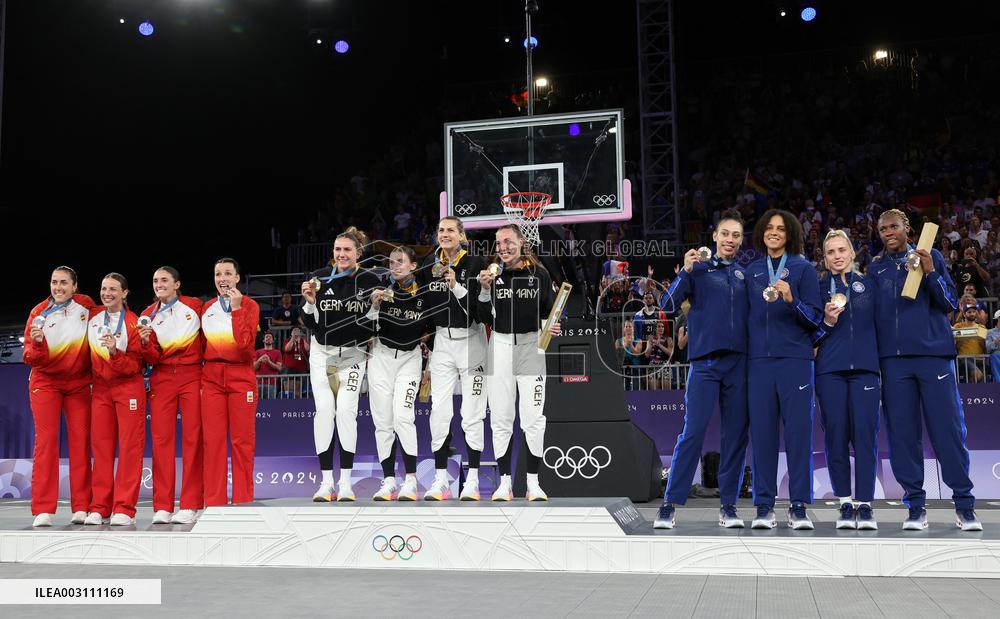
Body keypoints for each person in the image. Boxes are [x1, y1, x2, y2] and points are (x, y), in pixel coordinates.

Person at [870, 209, 981, 531]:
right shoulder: (876, 269)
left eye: (894, 226)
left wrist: (931, 272)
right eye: (882, 228)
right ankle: (915, 507)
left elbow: (949, 304)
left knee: (948, 433)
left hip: (934, 357)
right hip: (893, 361)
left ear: (908, 229)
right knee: (903, 437)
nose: (888, 232)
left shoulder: (928, 255)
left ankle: (965, 506)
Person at [653, 210, 750, 529]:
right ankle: (669, 504)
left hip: (738, 365)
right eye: (725, 234)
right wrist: (684, 271)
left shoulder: (744, 275)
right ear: (715, 237)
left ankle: (729, 506)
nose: (730, 240)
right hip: (705, 364)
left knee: (734, 437)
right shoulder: (698, 270)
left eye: (736, 235)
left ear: (741, 240)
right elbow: (666, 307)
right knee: (692, 432)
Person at [745, 209, 822, 530]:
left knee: (799, 435)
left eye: (781, 229)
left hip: (795, 362)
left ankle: (799, 506)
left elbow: (815, 318)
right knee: (761, 436)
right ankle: (764, 506)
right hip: (759, 363)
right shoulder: (750, 271)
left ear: (790, 234)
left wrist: (792, 301)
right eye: (769, 227)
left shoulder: (804, 270)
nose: (774, 232)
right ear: (762, 232)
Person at [478, 224, 561, 501]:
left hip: (531, 347)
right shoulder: (492, 274)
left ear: (522, 242)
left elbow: (550, 313)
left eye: (508, 242)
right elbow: (482, 316)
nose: (503, 247)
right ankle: (504, 483)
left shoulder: (540, 273)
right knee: (500, 419)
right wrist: (483, 290)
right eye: (499, 243)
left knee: (534, 419)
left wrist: (553, 326)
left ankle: (533, 483)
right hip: (498, 347)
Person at [301, 227, 381, 502]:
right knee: (324, 412)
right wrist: (310, 304)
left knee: (346, 412)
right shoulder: (319, 279)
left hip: (352, 354)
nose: (342, 254)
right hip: (322, 353)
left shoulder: (370, 280)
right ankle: (326, 483)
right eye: (338, 250)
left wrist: (374, 307)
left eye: (347, 250)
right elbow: (310, 324)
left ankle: (345, 483)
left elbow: (371, 328)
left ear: (358, 252)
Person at [810, 230, 880, 530]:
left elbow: (884, 325)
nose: (837, 256)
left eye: (842, 250)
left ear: (852, 252)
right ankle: (844, 502)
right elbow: (808, 334)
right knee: (836, 436)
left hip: (865, 369)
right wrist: (826, 321)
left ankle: (865, 504)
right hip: (829, 371)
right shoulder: (817, 286)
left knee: (865, 436)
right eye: (831, 252)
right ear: (824, 258)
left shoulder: (870, 284)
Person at [416, 216, 488, 501]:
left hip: (472, 340)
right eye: (441, 230)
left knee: (472, 415)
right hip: (442, 344)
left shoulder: (475, 263)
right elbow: (422, 306)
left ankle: (472, 480)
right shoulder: (427, 266)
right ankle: (441, 478)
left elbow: (480, 309)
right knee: (439, 412)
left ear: (462, 236)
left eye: (450, 231)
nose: (444, 235)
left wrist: (456, 284)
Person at [23, 266, 96, 527]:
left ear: (75, 286)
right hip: (46, 383)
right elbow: (29, 357)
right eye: (54, 282)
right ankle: (43, 508)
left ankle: (82, 505)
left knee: (81, 443)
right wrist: (39, 342)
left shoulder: (86, 306)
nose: (58, 287)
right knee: (47, 443)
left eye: (64, 283)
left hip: (78, 384)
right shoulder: (38, 312)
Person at [138, 267, 205, 525]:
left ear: (177, 284)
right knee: (161, 441)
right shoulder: (146, 315)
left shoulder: (194, 306)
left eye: (164, 280)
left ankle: (190, 504)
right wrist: (145, 343)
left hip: (192, 375)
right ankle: (163, 506)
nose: (159, 284)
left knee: (192, 440)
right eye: (155, 281)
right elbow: (152, 357)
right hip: (162, 376)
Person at [366, 245, 433, 501]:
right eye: (392, 262)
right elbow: (365, 326)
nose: (395, 266)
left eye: (400, 261)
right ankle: (389, 481)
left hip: (410, 360)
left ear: (413, 265)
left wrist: (429, 367)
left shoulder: (425, 294)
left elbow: (433, 332)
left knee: (403, 417)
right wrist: (373, 306)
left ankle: (411, 481)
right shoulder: (380, 290)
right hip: (381, 359)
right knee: (383, 422)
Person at [85, 273, 146, 526]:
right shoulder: (92, 317)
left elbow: (136, 365)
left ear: (124, 293)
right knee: (101, 449)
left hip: (128, 387)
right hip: (100, 389)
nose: (107, 293)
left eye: (113, 289)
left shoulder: (133, 322)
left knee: (130, 449)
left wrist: (114, 352)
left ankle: (124, 508)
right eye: (103, 288)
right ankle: (99, 506)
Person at [201, 258, 260, 507]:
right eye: (218, 274)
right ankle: (214, 501)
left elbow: (246, 346)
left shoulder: (250, 305)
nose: (222, 278)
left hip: (241, 375)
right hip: (212, 377)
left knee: (242, 441)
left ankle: (243, 499)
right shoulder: (206, 308)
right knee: (213, 442)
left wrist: (236, 309)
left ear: (237, 278)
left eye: (227, 274)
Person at [952, 304, 987, 382]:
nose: (972, 314)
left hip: (980, 358)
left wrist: (983, 343)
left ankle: (969, 393)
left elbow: (985, 347)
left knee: (980, 380)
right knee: (978, 374)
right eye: (969, 312)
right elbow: (955, 347)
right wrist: (962, 340)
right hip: (964, 358)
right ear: (964, 314)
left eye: (974, 312)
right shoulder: (958, 326)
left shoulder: (981, 327)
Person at [615, 319, 647, 390]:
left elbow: (637, 354)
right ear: (623, 329)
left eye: (630, 326)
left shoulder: (638, 340)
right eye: (626, 327)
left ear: (633, 328)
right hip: (622, 370)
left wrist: (631, 345)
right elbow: (616, 355)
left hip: (635, 369)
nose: (628, 328)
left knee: (636, 390)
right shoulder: (618, 341)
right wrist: (625, 345)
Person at [254, 330, 284, 399]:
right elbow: (254, 368)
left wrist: (269, 361)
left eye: (270, 337)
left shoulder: (277, 352)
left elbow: (279, 368)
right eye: (266, 337)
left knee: (270, 405)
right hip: (258, 383)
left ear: (273, 341)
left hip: (272, 383)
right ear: (263, 340)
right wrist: (259, 360)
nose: (268, 338)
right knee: (258, 405)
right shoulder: (258, 352)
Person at [645, 320, 673, 390]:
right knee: (654, 393)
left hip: (665, 366)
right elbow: (647, 355)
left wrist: (659, 345)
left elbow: (670, 353)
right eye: (659, 327)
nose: (661, 328)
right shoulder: (650, 339)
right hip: (653, 366)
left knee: (667, 393)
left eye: (662, 327)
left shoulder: (669, 339)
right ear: (655, 329)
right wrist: (651, 343)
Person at [282, 326, 310, 396]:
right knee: (288, 392)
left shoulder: (303, 341)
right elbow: (287, 349)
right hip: (289, 369)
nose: (296, 332)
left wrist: (304, 339)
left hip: (301, 369)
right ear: (291, 333)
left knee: (298, 391)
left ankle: (298, 405)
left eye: (298, 331)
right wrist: (292, 339)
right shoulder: (287, 340)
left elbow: (308, 349)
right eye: (294, 331)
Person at [986, 310, 1000, 383]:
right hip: (996, 360)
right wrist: (996, 342)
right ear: (997, 319)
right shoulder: (990, 332)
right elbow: (987, 348)